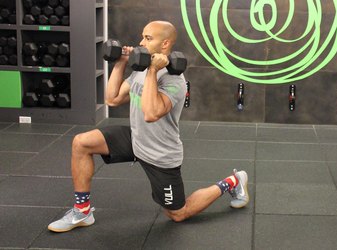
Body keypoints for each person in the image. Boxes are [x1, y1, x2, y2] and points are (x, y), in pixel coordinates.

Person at [48, 20, 249, 233]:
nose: (140, 42)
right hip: (136, 139)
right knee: (81, 143)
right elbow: (112, 99)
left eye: (148, 38)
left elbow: (151, 114)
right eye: (143, 36)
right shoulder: (141, 69)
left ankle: (233, 181)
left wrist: (153, 71)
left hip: (160, 153)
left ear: (165, 44)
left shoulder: (174, 80)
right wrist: (121, 62)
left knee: (178, 214)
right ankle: (82, 211)